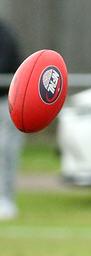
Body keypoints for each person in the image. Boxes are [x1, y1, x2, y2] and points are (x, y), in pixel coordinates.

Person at [0, 19, 23, 220]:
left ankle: (5, 199)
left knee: (6, 151)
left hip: (6, 103)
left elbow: (6, 65)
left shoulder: (4, 34)